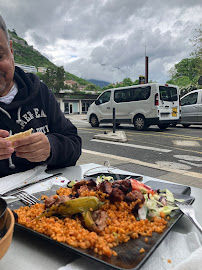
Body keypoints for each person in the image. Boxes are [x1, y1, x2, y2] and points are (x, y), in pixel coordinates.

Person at [0, 14, 82, 178]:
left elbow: (74, 143)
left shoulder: (40, 92)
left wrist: (51, 147)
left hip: (46, 195)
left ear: (11, 50)